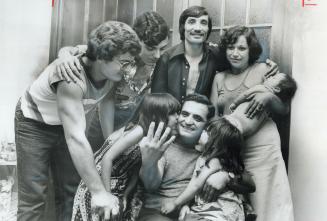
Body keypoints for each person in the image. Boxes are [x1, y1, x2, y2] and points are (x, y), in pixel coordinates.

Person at [14, 21, 141, 221]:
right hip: (34, 124)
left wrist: (109, 142)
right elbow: (75, 138)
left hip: (69, 125)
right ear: (101, 57)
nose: (128, 70)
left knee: (71, 193)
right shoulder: (71, 78)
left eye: (131, 62)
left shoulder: (107, 68)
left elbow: (106, 99)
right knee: (34, 198)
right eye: (124, 63)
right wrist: (99, 193)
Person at [210, 25, 295, 221]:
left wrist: (267, 98)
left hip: (262, 149)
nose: (235, 53)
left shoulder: (264, 69)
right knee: (236, 204)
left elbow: (284, 109)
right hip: (233, 148)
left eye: (241, 48)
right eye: (231, 48)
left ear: (251, 50)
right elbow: (215, 116)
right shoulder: (219, 78)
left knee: (268, 204)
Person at [137, 94, 254, 221]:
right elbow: (151, 185)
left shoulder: (214, 150)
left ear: (207, 125)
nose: (188, 122)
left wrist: (226, 177)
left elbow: (250, 184)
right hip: (159, 212)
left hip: (195, 213)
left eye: (197, 118)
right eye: (185, 114)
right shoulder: (163, 144)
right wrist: (149, 162)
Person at [71, 93, 180, 221]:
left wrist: (126, 195)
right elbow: (107, 158)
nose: (178, 117)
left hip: (118, 185)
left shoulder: (153, 141)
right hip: (101, 181)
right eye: (172, 113)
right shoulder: (139, 132)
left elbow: (134, 171)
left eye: (178, 112)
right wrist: (107, 195)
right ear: (157, 115)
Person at [56, 11, 170, 134]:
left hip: (127, 125)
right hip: (99, 123)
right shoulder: (116, 53)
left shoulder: (160, 62)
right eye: (150, 48)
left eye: (162, 48)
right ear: (136, 38)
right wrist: (64, 55)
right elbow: (74, 51)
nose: (158, 55)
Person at [150, 6, 277, 103]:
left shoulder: (216, 54)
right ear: (183, 27)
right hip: (169, 124)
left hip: (202, 125)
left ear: (208, 29)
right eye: (192, 22)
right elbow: (157, 100)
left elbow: (242, 60)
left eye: (203, 23)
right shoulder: (166, 58)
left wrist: (267, 66)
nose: (198, 28)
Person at [161, 117, 246, 221]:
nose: (202, 132)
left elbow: (196, 185)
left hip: (220, 208)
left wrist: (175, 203)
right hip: (211, 208)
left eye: (206, 131)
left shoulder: (213, 161)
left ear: (214, 141)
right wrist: (186, 204)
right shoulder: (207, 158)